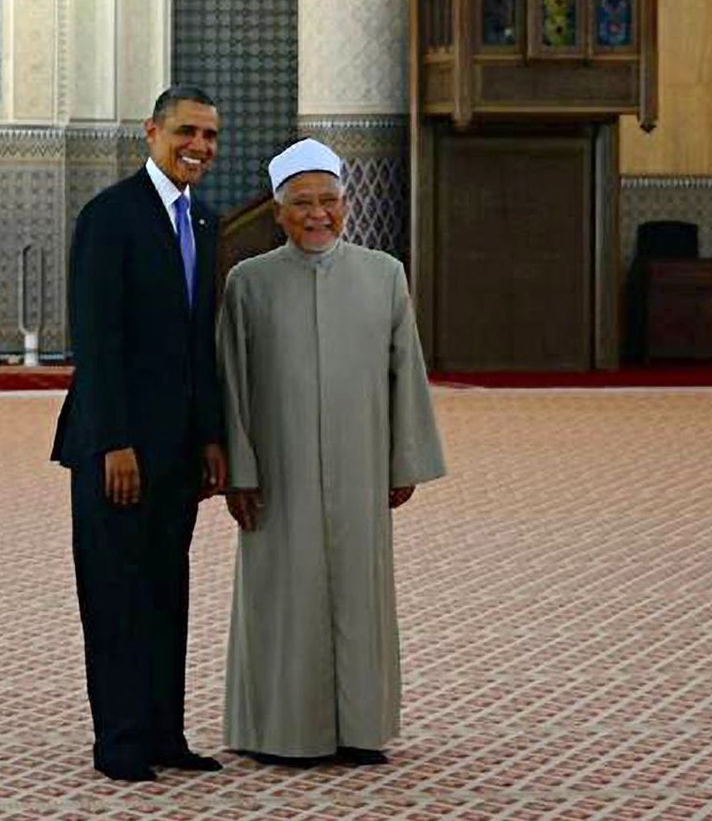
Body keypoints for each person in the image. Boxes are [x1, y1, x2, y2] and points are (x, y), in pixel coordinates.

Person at [216, 137, 447, 767]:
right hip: (278, 470)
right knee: (283, 594)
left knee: (357, 590)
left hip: (361, 465)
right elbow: (230, 383)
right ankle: (280, 732)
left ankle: (359, 728)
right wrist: (239, 470)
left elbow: (407, 373)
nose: (319, 214)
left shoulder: (384, 274)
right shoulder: (248, 283)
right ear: (278, 212)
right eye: (303, 204)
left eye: (330, 201)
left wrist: (404, 462)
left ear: (347, 204)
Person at [51, 86, 230, 783]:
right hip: (113, 447)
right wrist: (114, 442)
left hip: (179, 449)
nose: (200, 147)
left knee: (166, 589)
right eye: (188, 132)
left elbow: (199, 346)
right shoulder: (111, 217)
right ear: (153, 133)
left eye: (211, 136)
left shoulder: (207, 223)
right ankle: (120, 740)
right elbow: (96, 341)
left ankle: (164, 732)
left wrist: (211, 438)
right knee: (117, 593)